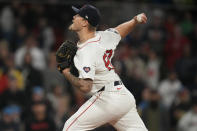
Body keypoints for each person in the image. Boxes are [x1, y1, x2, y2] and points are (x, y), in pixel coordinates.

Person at [61, 4, 148, 131]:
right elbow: (119, 31)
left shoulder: (86, 50)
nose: (74, 17)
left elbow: (86, 87)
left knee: (70, 128)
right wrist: (134, 20)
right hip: (123, 96)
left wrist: (66, 72)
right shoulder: (102, 36)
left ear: (85, 22)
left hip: (107, 99)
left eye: (78, 15)